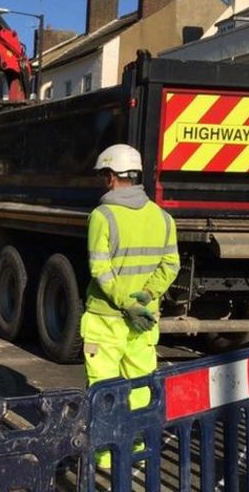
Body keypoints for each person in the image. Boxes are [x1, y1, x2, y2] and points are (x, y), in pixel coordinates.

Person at [84, 144, 179, 468]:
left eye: (103, 176)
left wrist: (126, 303)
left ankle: (106, 456)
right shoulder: (163, 218)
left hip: (106, 318)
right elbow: (170, 266)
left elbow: (100, 269)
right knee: (140, 385)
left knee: (105, 387)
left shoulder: (102, 216)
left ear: (111, 177)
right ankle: (136, 448)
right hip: (144, 321)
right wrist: (147, 297)